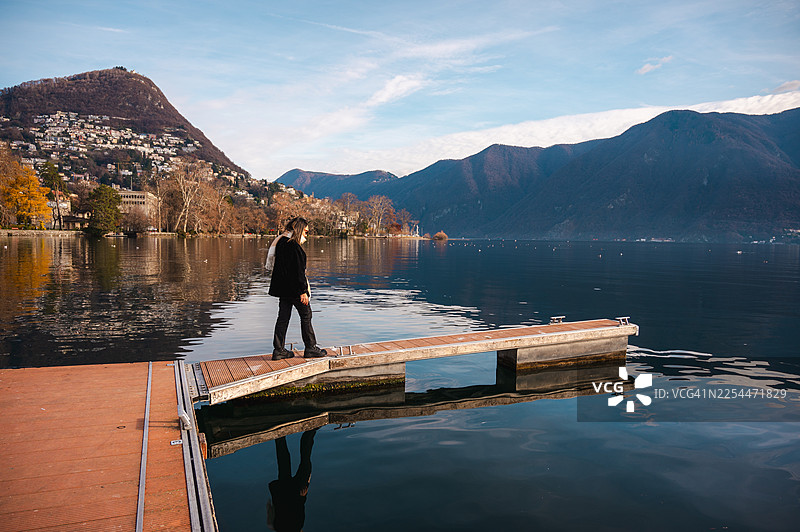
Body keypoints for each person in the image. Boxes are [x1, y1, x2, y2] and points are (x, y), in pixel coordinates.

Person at [268, 217, 328, 360]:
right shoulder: (294, 246)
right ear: (300, 229)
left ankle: (279, 350)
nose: (307, 235)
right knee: (306, 316)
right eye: (306, 232)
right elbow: (298, 272)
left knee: (283, 318)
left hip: (283, 290)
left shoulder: (281, 242)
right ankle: (310, 348)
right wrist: (303, 291)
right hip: (295, 290)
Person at [266, 429, 317, 532]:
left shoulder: (297, 527)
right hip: (284, 492)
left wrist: (302, 497)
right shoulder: (274, 526)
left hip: (296, 492)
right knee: (284, 461)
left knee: (304, 462)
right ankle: (280, 436)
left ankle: (309, 433)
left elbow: (299, 510)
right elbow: (270, 508)